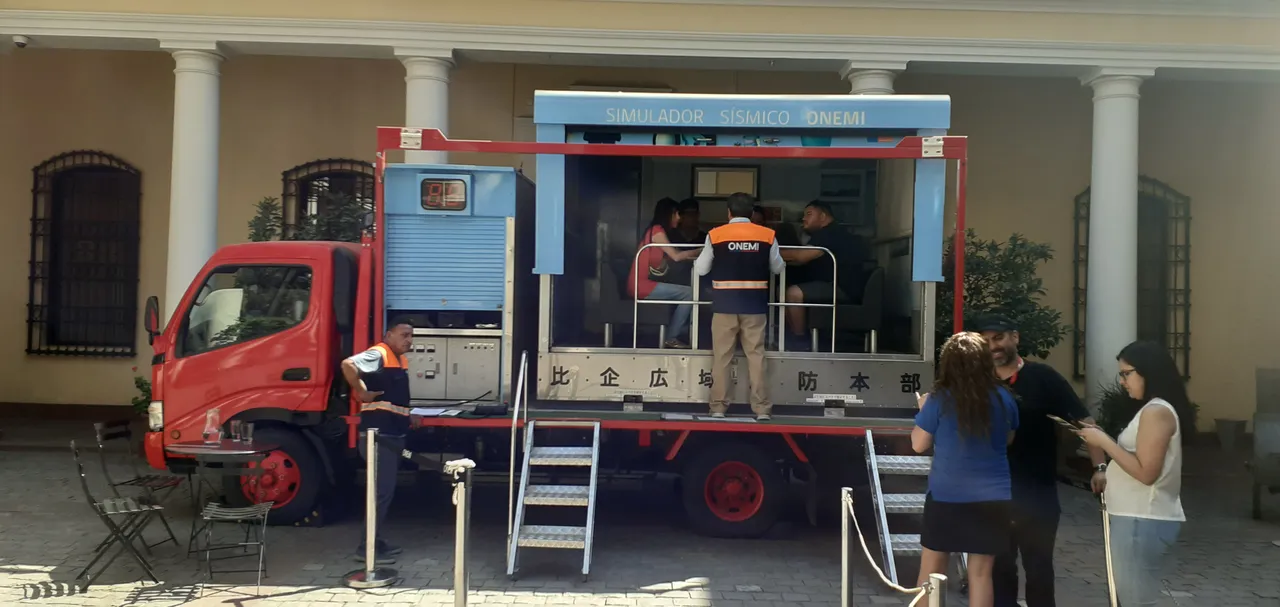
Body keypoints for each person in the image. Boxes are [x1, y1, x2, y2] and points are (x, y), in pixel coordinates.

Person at [975, 315, 1107, 607]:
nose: (993, 346)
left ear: (1015, 337)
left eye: (998, 338)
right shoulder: (977, 381)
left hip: (1038, 493)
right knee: (999, 571)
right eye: (985, 341)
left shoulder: (1043, 377)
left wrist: (1099, 468)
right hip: (991, 493)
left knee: (1039, 570)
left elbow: (1085, 422)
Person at [1077, 341, 1190, 607]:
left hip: (1142, 518)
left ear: (1148, 371)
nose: (1122, 381)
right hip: (1137, 517)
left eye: (1127, 374)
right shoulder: (1154, 409)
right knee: (1129, 597)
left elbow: (1146, 473)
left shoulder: (1156, 412)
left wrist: (1103, 442)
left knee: (1135, 600)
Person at [912, 332, 1019, 607]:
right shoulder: (1004, 398)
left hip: (947, 495)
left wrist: (923, 409)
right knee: (981, 575)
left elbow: (918, 445)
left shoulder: (939, 399)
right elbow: (1008, 440)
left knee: (931, 571)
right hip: (993, 498)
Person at [694, 192, 784, 420]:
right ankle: (762, 409)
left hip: (724, 304)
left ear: (729, 212)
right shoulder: (767, 235)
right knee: (756, 356)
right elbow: (778, 267)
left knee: (722, 356)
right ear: (752, 213)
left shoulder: (716, 235)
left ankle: (718, 408)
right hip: (754, 305)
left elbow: (701, 269)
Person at [340, 317, 415, 564]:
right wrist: (361, 391)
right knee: (380, 494)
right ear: (388, 335)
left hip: (391, 435)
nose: (409, 340)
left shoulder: (399, 360)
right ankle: (367, 549)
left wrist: (409, 416)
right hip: (380, 437)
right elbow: (348, 364)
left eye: (411, 335)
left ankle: (376, 540)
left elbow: (393, 399)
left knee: (383, 493)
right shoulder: (379, 353)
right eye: (403, 335)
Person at [781, 200, 871, 346]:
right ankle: (792, 336)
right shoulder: (829, 233)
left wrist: (768, 252)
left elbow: (801, 257)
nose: (804, 218)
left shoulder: (830, 233)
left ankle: (800, 342)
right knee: (785, 289)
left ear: (823, 216)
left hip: (842, 288)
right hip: (835, 285)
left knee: (793, 293)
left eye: (809, 214)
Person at [626, 197, 700, 348]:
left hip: (642, 284)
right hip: (642, 285)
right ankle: (672, 337)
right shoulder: (657, 231)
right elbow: (676, 256)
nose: (679, 218)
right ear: (669, 213)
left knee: (685, 291)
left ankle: (682, 329)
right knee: (690, 294)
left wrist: (693, 255)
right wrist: (702, 249)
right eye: (677, 214)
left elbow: (673, 258)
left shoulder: (654, 230)